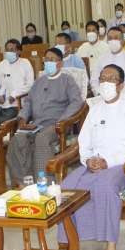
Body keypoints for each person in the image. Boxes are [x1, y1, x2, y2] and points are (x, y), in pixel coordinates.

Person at [59, 64, 125, 250]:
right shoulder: (95, 109)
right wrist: (88, 160)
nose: (106, 83)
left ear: (121, 85)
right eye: (103, 78)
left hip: (120, 165)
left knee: (105, 188)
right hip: (93, 164)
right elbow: (83, 141)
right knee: (66, 188)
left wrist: (109, 161)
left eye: (111, 79)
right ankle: (73, 247)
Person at [13, 47, 85, 185]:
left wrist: (61, 121)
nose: (48, 62)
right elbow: (28, 102)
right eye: (46, 59)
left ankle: (44, 183)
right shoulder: (39, 81)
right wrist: (22, 118)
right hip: (36, 124)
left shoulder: (67, 80)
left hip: (57, 125)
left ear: (60, 63)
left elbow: (77, 102)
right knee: (18, 138)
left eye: (52, 60)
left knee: (42, 139)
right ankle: (23, 182)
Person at [0, 38, 34, 124]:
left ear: (19, 51)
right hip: (1, 104)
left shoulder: (25, 63)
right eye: (7, 50)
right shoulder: (2, 64)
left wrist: (14, 94)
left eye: (12, 50)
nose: (9, 52)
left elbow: (30, 84)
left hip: (17, 104)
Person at [88, 25, 125, 94]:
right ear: (107, 41)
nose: (113, 40)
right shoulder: (101, 58)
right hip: (103, 95)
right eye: (110, 38)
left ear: (122, 40)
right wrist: (99, 92)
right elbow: (94, 80)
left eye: (116, 38)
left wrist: (119, 92)